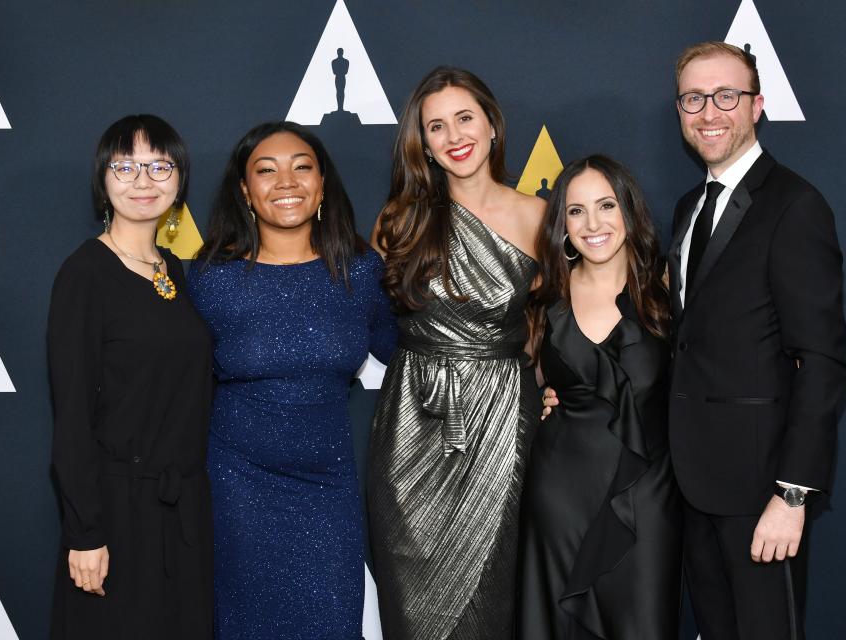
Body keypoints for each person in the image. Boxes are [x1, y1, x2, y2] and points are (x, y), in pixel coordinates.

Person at [188, 121, 396, 639]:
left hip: (328, 484)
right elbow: (169, 375)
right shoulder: (210, 278)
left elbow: (415, 351)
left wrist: (533, 374)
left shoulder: (361, 271)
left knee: (330, 621)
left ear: (323, 184)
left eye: (302, 167)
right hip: (238, 483)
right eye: (266, 170)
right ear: (244, 190)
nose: (286, 182)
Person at [668, 42, 846, 639]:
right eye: (694, 98)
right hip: (693, 485)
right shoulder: (689, 207)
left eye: (726, 96)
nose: (709, 112)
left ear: (757, 105)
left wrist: (792, 495)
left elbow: (821, 362)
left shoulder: (796, 205)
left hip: (762, 490)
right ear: (680, 110)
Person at [367, 66, 544, 640]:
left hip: (501, 419)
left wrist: (559, 380)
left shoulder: (540, 217)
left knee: (490, 592)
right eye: (435, 126)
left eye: (464, 118)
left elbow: (557, 322)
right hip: (412, 421)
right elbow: (370, 322)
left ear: (492, 124)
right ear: (424, 144)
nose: (453, 136)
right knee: (411, 601)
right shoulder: (399, 221)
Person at [48, 114, 214, 638]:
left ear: (180, 178)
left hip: (182, 510)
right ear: (103, 178)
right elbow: (71, 411)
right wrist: (85, 532)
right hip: (117, 515)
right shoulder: (85, 274)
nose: (143, 181)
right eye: (126, 166)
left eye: (158, 165)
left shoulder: (173, 269)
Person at [518, 155, 682, 640]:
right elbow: (513, 377)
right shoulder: (544, 298)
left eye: (606, 205)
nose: (593, 224)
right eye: (575, 211)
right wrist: (541, 398)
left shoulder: (668, 291)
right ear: (561, 224)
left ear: (629, 211)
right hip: (559, 496)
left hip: (647, 500)